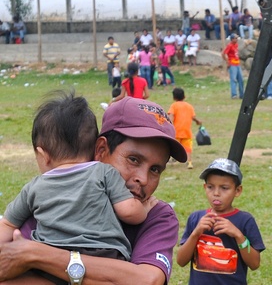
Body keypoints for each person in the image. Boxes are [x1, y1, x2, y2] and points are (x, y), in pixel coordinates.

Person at [0, 96, 188, 284]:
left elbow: (147, 281)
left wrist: (36, 253)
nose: (143, 179)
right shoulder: (53, 197)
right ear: (101, 149)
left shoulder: (157, 216)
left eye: (155, 169)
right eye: (133, 159)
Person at [176, 158, 265, 285]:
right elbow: (181, 261)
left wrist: (238, 236)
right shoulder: (196, 218)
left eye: (224, 188)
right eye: (211, 187)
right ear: (205, 187)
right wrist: (196, 233)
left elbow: (254, 264)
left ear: (237, 191)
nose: (216, 193)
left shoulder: (245, 220)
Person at [168, 87, 201, 170]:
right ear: (184, 96)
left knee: (173, 146)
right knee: (188, 148)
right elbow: (193, 117)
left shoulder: (174, 105)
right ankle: (189, 162)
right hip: (186, 131)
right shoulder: (189, 106)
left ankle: (172, 158)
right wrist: (198, 121)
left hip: (176, 131)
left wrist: (169, 124)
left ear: (174, 97)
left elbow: (171, 116)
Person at [222, 35, 244, 99]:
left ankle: (242, 94)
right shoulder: (230, 45)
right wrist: (227, 61)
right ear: (232, 39)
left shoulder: (236, 45)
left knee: (241, 79)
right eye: (235, 38)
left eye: (237, 38)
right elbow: (223, 53)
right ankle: (234, 94)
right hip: (232, 64)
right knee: (233, 79)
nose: (237, 39)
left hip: (237, 64)